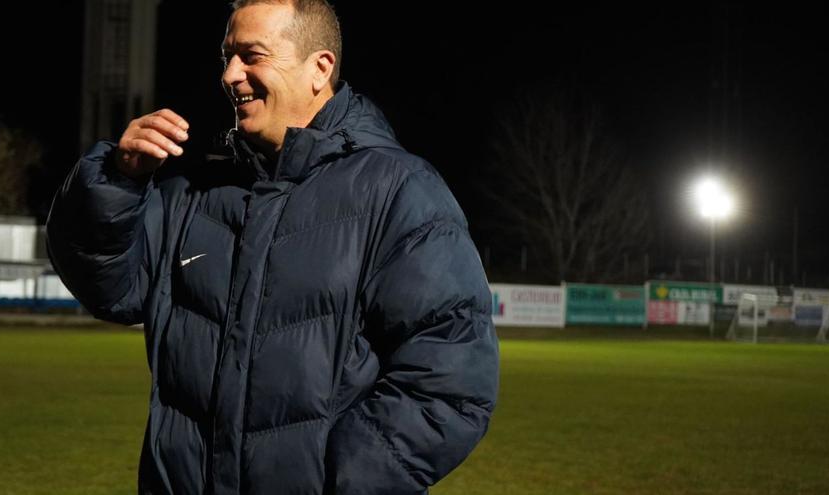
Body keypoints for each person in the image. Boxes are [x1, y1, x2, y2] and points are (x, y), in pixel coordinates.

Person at [45, 0, 499, 493]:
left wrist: (343, 480)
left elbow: (451, 380)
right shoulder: (195, 193)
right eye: (227, 57)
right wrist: (118, 181)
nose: (230, 75)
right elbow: (109, 288)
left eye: (251, 56)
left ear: (319, 68)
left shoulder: (400, 192)